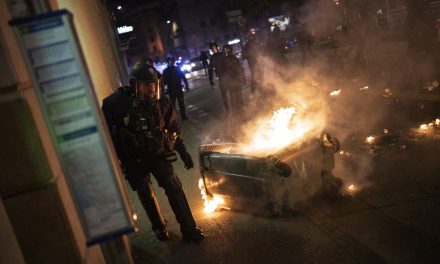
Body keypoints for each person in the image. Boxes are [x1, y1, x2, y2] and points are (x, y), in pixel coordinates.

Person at [101, 62, 204, 242]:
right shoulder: (116, 105)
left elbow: (172, 129)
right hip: (132, 159)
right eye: (147, 85)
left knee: (174, 186)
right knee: (145, 192)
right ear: (135, 85)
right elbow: (108, 135)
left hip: (157, 154)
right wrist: (115, 161)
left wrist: (182, 151)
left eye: (154, 84)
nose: (151, 89)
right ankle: (159, 228)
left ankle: (189, 228)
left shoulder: (162, 103)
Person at [218, 44, 245, 114]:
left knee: (239, 97)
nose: (229, 51)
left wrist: (243, 77)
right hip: (231, 82)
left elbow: (240, 68)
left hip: (237, 81)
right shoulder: (223, 61)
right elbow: (222, 73)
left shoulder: (234, 58)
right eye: (227, 50)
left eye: (229, 50)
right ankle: (236, 112)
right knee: (234, 98)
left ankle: (240, 111)